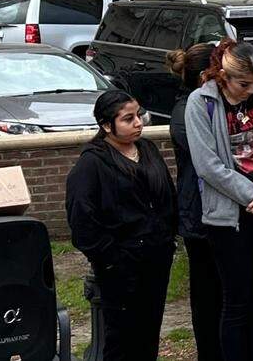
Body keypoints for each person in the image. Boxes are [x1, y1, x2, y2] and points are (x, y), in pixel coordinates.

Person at [186, 40, 253, 361]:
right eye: (243, 83)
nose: (251, 89)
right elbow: (208, 165)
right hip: (230, 215)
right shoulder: (200, 102)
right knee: (237, 302)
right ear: (222, 76)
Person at [65, 90, 177, 361]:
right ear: (107, 125)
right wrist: (111, 258)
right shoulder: (92, 163)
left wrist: (167, 239)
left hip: (155, 257)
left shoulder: (147, 150)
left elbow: (166, 196)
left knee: (149, 332)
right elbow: (82, 217)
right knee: (122, 337)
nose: (138, 123)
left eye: (139, 115)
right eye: (128, 119)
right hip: (120, 264)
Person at [167, 44, 224, 361]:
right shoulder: (185, 113)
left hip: (209, 212)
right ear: (205, 76)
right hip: (200, 216)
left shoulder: (204, 105)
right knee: (207, 296)